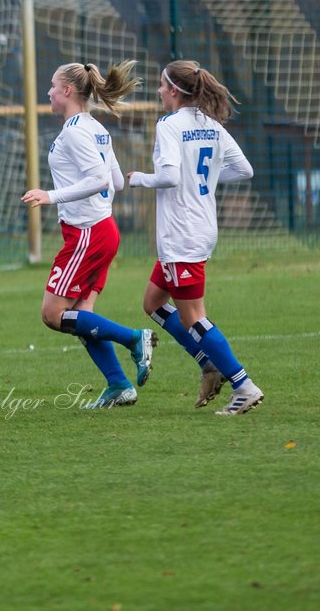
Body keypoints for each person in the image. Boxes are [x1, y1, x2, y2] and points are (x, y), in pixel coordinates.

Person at [128, 60, 263, 415]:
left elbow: (170, 176)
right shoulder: (211, 125)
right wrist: (206, 180)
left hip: (181, 233)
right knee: (153, 304)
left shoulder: (170, 126)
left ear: (174, 90)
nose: (158, 92)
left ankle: (243, 384)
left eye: (161, 86)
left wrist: (139, 178)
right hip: (201, 228)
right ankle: (209, 363)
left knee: (193, 318)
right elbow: (245, 170)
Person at [20, 61, 157, 409]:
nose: (49, 92)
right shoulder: (95, 128)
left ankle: (134, 339)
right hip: (102, 230)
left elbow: (99, 180)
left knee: (52, 314)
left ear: (68, 91)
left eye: (52, 85)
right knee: (82, 316)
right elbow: (117, 182)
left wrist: (51, 196)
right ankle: (119, 385)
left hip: (87, 234)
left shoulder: (75, 131)